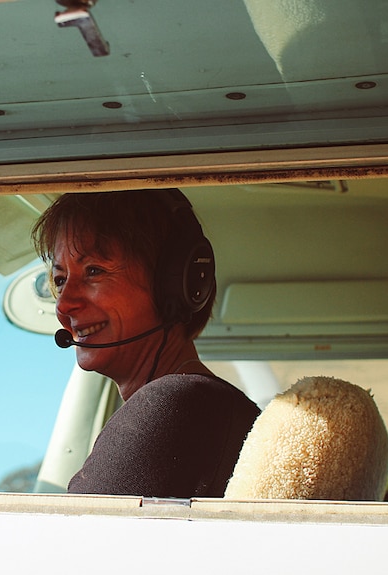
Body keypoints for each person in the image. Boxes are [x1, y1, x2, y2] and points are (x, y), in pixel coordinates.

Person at [31, 188, 260, 498]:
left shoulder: (174, 405)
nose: (64, 306)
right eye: (60, 280)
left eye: (93, 271)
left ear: (172, 282)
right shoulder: (208, 405)